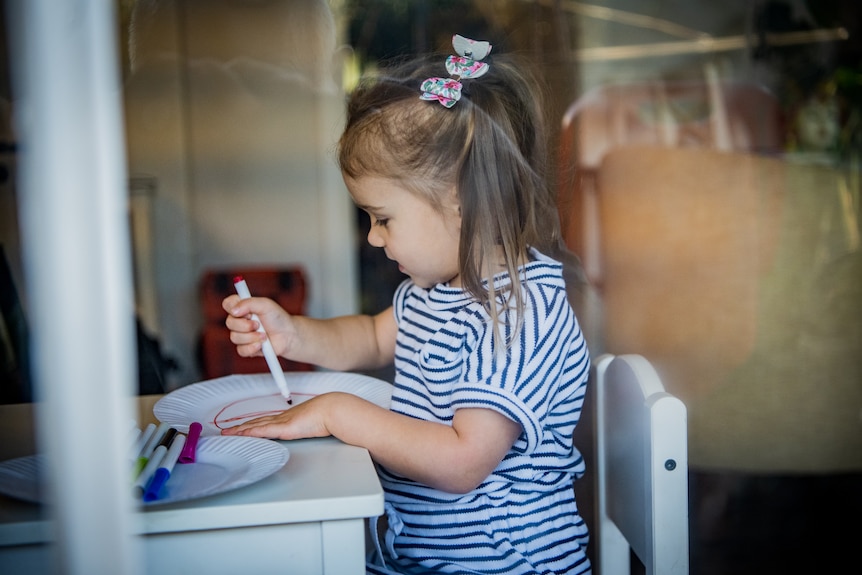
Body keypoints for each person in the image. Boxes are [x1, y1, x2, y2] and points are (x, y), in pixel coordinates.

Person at [221, 35, 592, 575]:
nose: (372, 238)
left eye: (383, 219)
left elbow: (464, 462)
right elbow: (371, 338)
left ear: (461, 203)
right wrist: (293, 333)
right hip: (419, 558)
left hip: (505, 565)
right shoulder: (434, 292)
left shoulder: (518, 314)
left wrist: (338, 412)